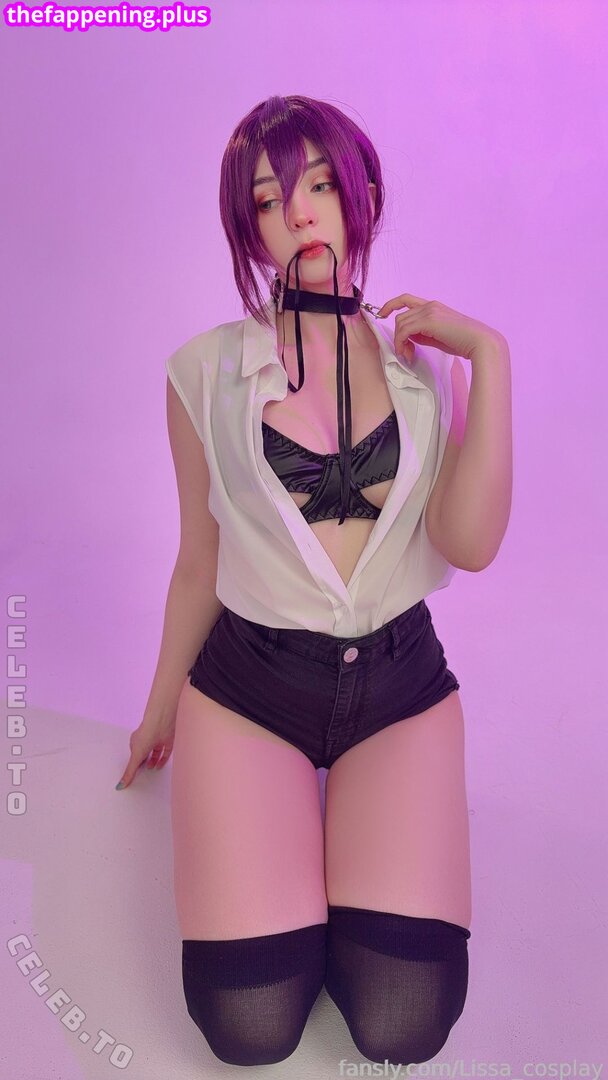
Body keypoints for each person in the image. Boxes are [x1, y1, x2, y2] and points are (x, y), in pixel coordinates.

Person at [119, 95, 476, 1067]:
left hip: (399, 690)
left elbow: (469, 542)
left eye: (319, 184)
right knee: (250, 1027)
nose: (301, 213)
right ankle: (285, 839)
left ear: (364, 193)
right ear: (249, 228)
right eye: (270, 201)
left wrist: (491, 358)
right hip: (251, 689)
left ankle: (339, 846)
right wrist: (160, 707)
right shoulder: (203, 373)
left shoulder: (426, 368)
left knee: (403, 1021)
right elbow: (198, 559)